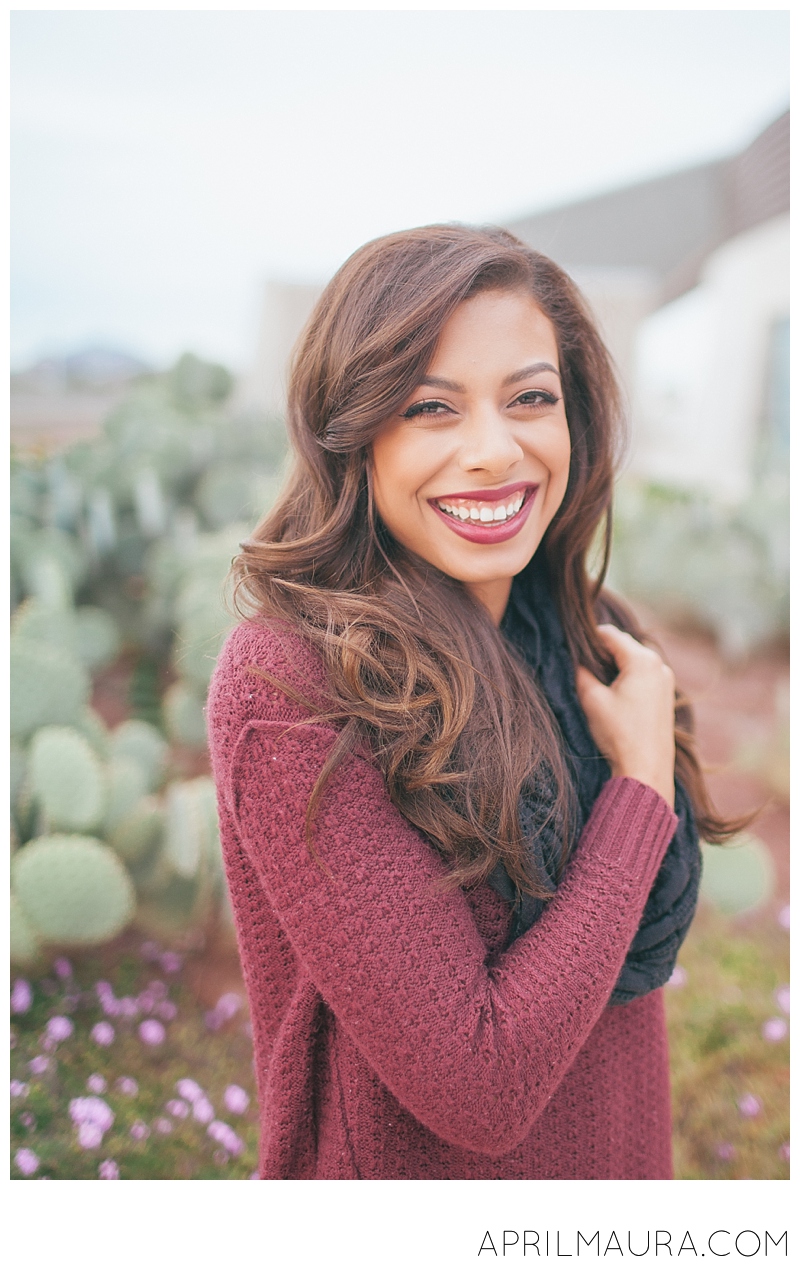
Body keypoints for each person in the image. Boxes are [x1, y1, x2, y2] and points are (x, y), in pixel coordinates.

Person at [207, 224, 742, 1180]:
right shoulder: (293, 685)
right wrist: (641, 795)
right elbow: (479, 1086)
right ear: (353, 433)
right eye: (430, 409)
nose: (495, 451)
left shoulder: (588, 636)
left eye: (530, 398)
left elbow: (612, 999)